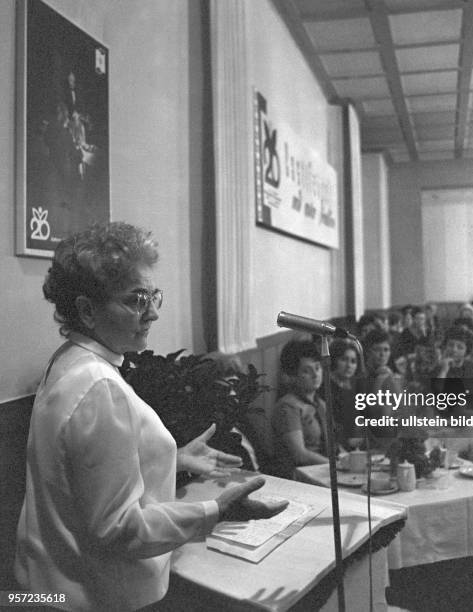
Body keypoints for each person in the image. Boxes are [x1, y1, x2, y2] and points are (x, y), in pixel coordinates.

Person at [15, 223, 287, 611]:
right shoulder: (99, 387)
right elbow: (117, 529)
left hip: (45, 584)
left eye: (152, 295)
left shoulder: (69, 360)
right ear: (87, 310)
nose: (154, 313)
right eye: (136, 300)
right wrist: (217, 511)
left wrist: (170, 457)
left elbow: (78, 479)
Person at [272, 340, 328, 479]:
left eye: (317, 367)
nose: (315, 374)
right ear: (292, 376)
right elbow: (300, 455)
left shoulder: (320, 403)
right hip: (298, 477)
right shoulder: (288, 407)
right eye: (306, 371)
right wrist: (335, 464)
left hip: (322, 471)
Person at [327, 339, 363, 449]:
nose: (349, 365)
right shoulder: (326, 386)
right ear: (334, 360)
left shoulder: (354, 385)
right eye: (344, 359)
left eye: (353, 361)